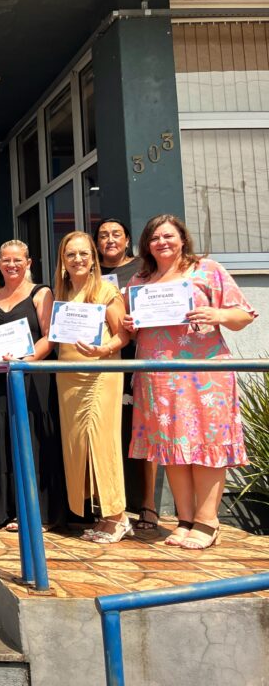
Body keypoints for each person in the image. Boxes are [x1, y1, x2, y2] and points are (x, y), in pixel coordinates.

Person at [124, 215, 256, 550]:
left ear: (182, 238)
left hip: (203, 373)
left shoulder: (207, 270)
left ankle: (208, 521)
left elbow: (243, 315)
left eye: (168, 236)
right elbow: (135, 329)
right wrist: (131, 324)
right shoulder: (140, 279)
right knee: (172, 446)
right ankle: (184, 520)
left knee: (207, 444)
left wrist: (218, 315)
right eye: (154, 237)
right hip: (158, 376)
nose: (161, 242)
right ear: (146, 245)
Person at [0, 240, 67, 530]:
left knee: (35, 441)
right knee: (4, 439)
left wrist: (25, 360)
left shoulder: (41, 293)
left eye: (17, 260)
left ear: (28, 263)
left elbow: (49, 336)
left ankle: (39, 513)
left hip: (32, 379)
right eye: (5, 260)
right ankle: (5, 509)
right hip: (1, 380)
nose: (11, 265)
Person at [53, 232, 131, 542]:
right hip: (68, 378)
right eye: (71, 254)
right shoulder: (62, 292)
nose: (78, 259)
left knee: (102, 442)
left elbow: (123, 334)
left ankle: (118, 516)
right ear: (63, 260)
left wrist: (103, 350)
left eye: (84, 253)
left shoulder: (106, 290)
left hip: (100, 374)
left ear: (93, 258)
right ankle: (102, 514)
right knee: (78, 447)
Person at [95, 218, 156, 532]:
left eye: (116, 234)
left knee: (141, 428)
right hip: (99, 360)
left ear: (127, 239)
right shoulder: (90, 272)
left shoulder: (143, 270)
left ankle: (147, 503)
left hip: (136, 356)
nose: (109, 239)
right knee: (108, 431)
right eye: (103, 235)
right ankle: (109, 503)